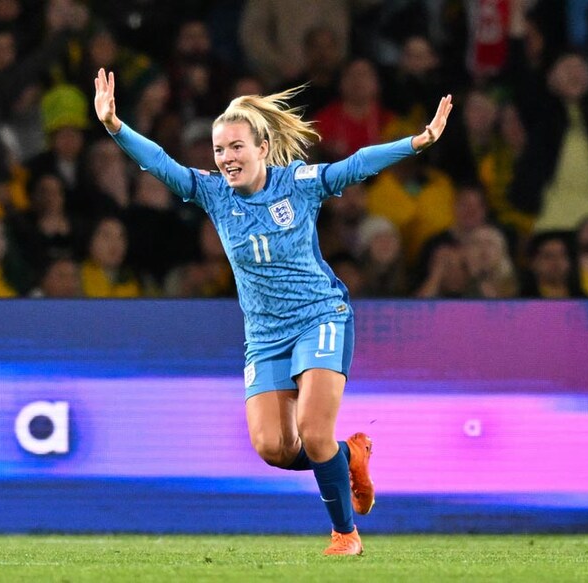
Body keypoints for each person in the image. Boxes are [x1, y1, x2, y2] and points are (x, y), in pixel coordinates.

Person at [94, 67, 452, 555]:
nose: (226, 158)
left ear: (262, 147)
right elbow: (160, 163)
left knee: (313, 430)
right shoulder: (214, 193)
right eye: (220, 150)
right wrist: (116, 126)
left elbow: (356, 163)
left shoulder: (298, 184)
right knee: (274, 449)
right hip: (264, 335)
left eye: (236, 147)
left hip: (319, 317)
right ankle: (351, 454)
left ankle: (345, 534)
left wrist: (417, 142)